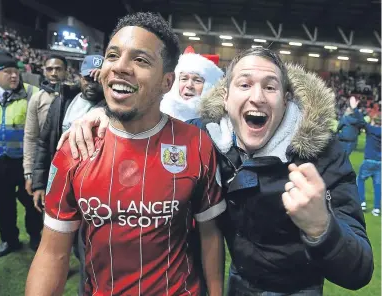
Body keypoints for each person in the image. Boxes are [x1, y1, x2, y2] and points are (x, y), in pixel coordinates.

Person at [63, 48, 374, 295]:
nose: (257, 96)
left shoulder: (320, 153)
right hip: (237, 281)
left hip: (298, 289)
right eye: (244, 84)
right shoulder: (207, 139)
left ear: (286, 100)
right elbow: (154, 129)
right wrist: (107, 119)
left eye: (270, 86)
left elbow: (359, 271)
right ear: (225, 98)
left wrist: (321, 227)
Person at [26, 12, 225, 296]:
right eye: (112, 55)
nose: (120, 67)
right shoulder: (75, 147)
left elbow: (210, 234)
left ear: (167, 83)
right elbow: (52, 253)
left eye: (140, 60)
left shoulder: (196, 143)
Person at [0, 51, 43, 257]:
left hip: (25, 163)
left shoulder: (33, 93)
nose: (15, 76)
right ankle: (9, 240)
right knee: (3, 204)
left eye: (16, 71)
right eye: (8, 72)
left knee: (32, 203)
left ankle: (35, 237)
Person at [31, 55, 104, 210]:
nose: (92, 84)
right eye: (87, 78)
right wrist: (39, 183)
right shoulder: (62, 102)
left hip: (93, 187)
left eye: (98, 79)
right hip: (59, 179)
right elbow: (44, 143)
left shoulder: (111, 109)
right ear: (79, 77)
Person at [23, 54, 68, 196]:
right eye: (49, 69)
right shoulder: (37, 99)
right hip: (45, 161)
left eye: (58, 69)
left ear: (66, 71)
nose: (53, 73)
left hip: (69, 161)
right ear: (44, 71)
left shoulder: (76, 96)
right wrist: (29, 172)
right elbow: (31, 137)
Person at [160, 46, 223, 121]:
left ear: (209, 86)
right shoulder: (159, 115)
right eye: (184, 79)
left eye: (197, 80)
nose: (189, 85)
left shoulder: (217, 122)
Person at [350, 99, 381, 216]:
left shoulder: (371, 129)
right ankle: (377, 208)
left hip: (369, 160)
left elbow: (361, 121)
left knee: (360, 180)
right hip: (379, 162)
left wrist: (354, 108)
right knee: (377, 186)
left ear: (373, 121)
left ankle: (362, 202)